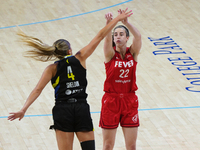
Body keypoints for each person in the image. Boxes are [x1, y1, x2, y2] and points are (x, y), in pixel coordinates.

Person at [7, 9, 133, 150]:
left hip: (62, 110)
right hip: (80, 108)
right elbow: (100, 36)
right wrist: (117, 19)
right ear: (69, 51)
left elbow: (37, 90)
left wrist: (23, 109)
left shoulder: (51, 69)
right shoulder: (80, 57)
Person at [99, 8, 142, 150]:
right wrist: (109, 23)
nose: (117, 37)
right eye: (115, 35)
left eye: (121, 34)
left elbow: (139, 37)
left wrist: (126, 23)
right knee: (107, 145)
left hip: (129, 101)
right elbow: (106, 38)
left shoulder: (133, 53)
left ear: (126, 38)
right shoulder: (110, 54)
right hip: (111, 101)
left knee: (131, 146)